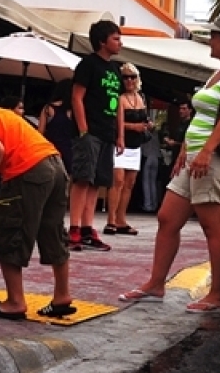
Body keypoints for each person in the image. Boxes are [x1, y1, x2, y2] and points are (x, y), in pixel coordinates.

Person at [120, 14, 220, 312]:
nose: (209, 41)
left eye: (213, 36)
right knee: (168, 217)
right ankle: (156, 283)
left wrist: (206, 150)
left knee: (212, 227)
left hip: (212, 159)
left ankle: (217, 293)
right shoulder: (217, 73)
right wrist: (186, 147)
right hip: (194, 157)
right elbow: (202, 116)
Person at [0, 70, 75, 320]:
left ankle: (14, 302)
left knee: (8, 230)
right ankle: (62, 295)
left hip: (28, 170)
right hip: (54, 163)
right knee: (51, 230)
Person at [67, 20, 123, 252]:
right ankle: (74, 229)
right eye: (116, 38)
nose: (120, 43)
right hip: (89, 131)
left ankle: (88, 229)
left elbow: (118, 103)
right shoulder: (88, 65)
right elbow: (77, 96)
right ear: (102, 41)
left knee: (97, 182)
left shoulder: (115, 69)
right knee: (83, 179)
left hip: (107, 133)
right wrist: (83, 129)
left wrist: (120, 135)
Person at [105, 63, 150, 235]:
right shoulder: (120, 98)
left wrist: (146, 126)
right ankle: (111, 220)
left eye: (132, 76)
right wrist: (132, 128)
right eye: (125, 77)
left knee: (129, 184)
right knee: (117, 181)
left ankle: (121, 219)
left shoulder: (141, 98)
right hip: (121, 143)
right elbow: (117, 123)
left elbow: (143, 120)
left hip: (135, 145)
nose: (129, 80)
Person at [38, 80, 76, 174]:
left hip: (51, 150)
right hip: (70, 150)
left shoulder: (48, 108)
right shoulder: (74, 110)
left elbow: (40, 133)